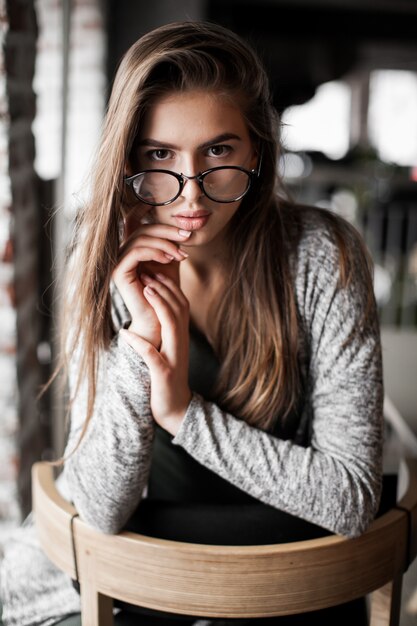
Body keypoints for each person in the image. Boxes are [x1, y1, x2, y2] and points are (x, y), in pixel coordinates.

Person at [0, 19, 384, 626]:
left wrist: (181, 413)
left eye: (218, 151)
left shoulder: (322, 254)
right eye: (160, 155)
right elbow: (99, 506)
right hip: (145, 572)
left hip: (285, 578)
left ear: (256, 150)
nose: (191, 195)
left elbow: (350, 496)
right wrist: (140, 342)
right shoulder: (103, 261)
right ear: (128, 160)